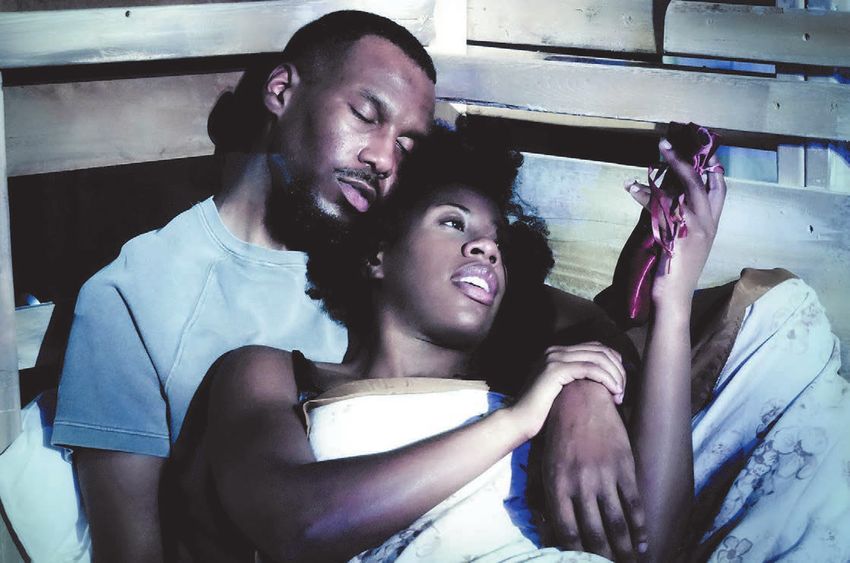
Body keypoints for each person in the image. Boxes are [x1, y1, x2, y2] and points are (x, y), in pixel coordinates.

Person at [50, 10, 642, 562]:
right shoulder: (132, 296)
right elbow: (134, 552)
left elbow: (587, 326)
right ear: (281, 91)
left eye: (407, 143)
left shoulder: (392, 259)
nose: (384, 159)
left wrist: (581, 402)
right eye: (366, 114)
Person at [163, 123, 723, 562]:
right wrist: (518, 423)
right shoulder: (271, 375)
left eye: (498, 242)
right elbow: (297, 525)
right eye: (454, 223)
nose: (487, 248)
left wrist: (672, 303)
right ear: (377, 254)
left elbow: (649, 548)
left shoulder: (529, 388)